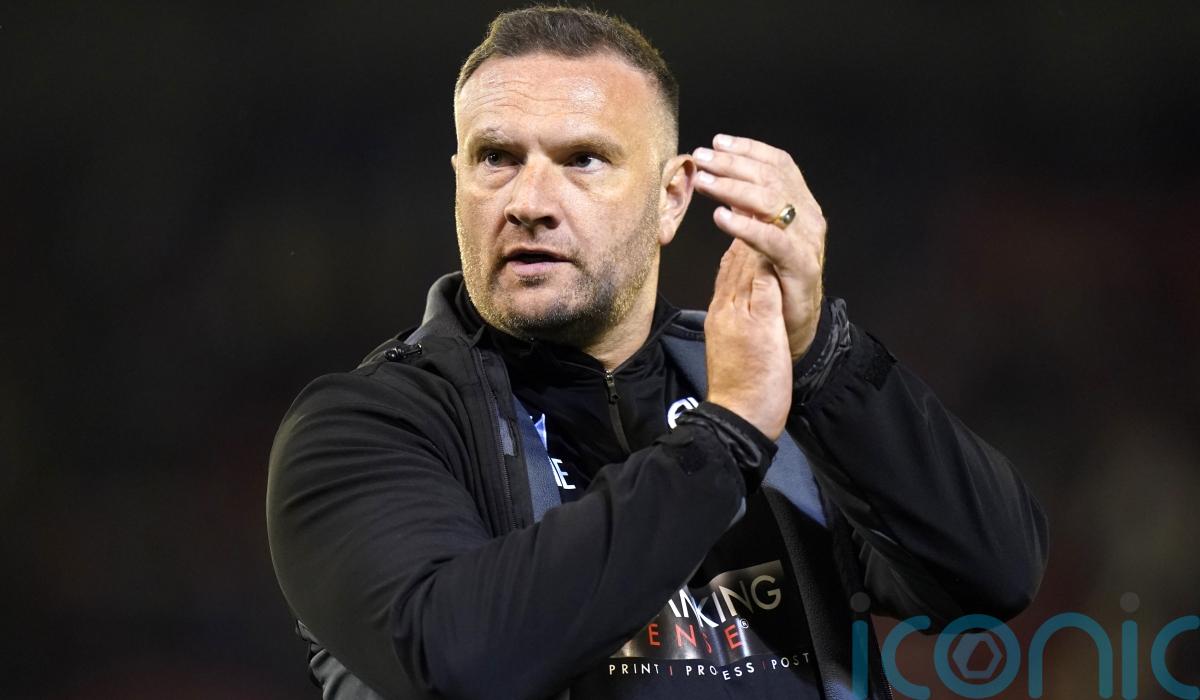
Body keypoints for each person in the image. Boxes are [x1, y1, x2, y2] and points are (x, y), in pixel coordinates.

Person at [266, 6, 1048, 699]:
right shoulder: (364, 428)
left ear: (672, 198)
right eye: (496, 157)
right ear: (459, 182)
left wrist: (823, 359)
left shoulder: (777, 388)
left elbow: (990, 577)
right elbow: (460, 661)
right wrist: (725, 439)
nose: (529, 202)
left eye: (583, 160)